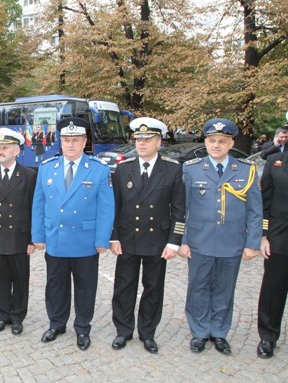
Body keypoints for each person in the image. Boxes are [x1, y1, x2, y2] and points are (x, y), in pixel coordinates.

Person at [179, 118, 262, 355]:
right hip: (199, 240)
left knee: (225, 289)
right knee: (198, 288)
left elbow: (255, 210)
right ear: (205, 142)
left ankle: (219, 332)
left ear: (231, 143)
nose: (216, 145)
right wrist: (183, 241)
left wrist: (252, 243)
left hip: (232, 241)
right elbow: (182, 208)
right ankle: (199, 332)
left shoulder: (246, 171)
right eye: (212, 140)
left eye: (222, 141)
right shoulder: (192, 169)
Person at [32, 117, 115, 351]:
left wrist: (102, 240)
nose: (70, 144)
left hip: (85, 241)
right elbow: (38, 204)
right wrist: (38, 235)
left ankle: (82, 328)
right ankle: (57, 324)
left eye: (75, 140)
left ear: (84, 141)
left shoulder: (98, 169)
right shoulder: (47, 167)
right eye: (66, 140)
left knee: (85, 287)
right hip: (56, 239)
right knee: (55, 285)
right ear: (60, 142)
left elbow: (107, 207)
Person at [109, 117, 186, 354]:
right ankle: (123, 330)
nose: (141, 143)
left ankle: (147, 332)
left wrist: (174, 242)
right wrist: (114, 237)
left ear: (159, 141)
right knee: (124, 287)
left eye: (147, 139)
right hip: (128, 237)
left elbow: (179, 210)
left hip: (157, 240)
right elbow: (115, 206)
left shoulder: (172, 169)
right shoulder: (123, 169)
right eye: (138, 139)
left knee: (153, 288)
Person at [0, 128, 37, 336]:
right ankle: (2, 315)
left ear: (17, 151)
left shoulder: (30, 175)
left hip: (20, 237)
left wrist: (32, 238)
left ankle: (17, 317)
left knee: (20, 279)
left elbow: (33, 208)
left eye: (5, 148)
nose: (0, 151)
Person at [256, 148, 288, 358]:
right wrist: (264, 234)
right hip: (280, 236)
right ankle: (268, 336)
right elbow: (264, 202)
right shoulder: (275, 161)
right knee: (273, 290)